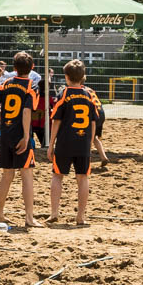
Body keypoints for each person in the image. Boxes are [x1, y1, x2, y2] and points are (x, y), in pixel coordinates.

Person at [50, 59, 101, 226]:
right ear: (82, 77)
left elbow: (56, 121)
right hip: (83, 143)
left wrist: (51, 144)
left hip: (65, 142)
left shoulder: (64, 94)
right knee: (83, 178)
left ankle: (54, 213)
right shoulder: (89, 94)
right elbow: (93, 122)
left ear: (66, 77)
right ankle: (80, 216)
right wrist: (90, 142)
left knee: (57, 176)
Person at [0, 51, 37, 228]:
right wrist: (26, 136)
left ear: (14, 68)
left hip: (6, 133)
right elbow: (26, 112)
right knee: (26, 174)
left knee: (7, 175)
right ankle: (29, 218)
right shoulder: (31, 86)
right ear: (32, 67)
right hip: (20, 134)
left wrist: (2, 121)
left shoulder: (6, 83)